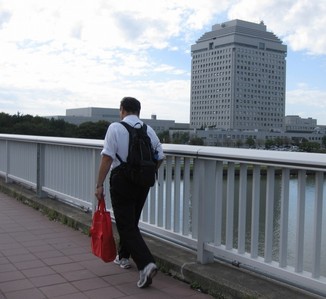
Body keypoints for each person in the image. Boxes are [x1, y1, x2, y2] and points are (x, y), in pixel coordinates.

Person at [95, 96, 164, 288]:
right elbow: (161, 156)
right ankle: (123, 257)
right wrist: (147, 172)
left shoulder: (115, 128)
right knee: (131, 221)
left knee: (126, 224)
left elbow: (107, 158)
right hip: (143, 181)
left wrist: (99, 184)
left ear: (122, 110)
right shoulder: (148, 130)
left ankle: (146, 263)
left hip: (122, 181)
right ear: (139, 111)